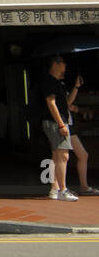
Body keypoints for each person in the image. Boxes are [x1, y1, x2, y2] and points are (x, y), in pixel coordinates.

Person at [41, 56, 90, 199]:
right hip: (58, 122)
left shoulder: (58, 83)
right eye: (63, 63)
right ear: (55, 64)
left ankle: (56, 188)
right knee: (61, 155)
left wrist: (76, 87)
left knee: (59, 155)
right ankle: (61, 189)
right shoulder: (50, 82)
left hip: (63, 121)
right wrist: (61, 124)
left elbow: (66, 103)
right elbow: (51, 103)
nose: (65, 66)